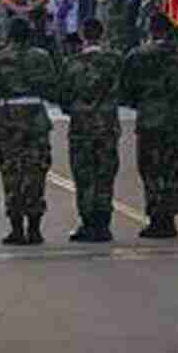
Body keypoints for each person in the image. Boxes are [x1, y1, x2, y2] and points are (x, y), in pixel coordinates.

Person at [0, 17, 57, 245]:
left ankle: (16, 228)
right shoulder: (41, 57)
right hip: (35, 117)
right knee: (36, 172)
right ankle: (35, 228)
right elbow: (52, 87)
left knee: (11, 173)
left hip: (9, 119)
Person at [121, 13, 178, 239]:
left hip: (149, 117)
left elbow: (126, 90)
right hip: (174, 119)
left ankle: (155, 217)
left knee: (151, 169)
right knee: (171, 168)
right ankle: (169, 217)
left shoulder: (137, 55)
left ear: (151, 30)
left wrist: (143, 102)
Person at [53, 17, 120, 242]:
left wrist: (76, 108)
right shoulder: (114, 60)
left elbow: (63, 97)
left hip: (82, 126)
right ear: (102, 34)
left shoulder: (72, 63)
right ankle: (104, 222)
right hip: (108, 124)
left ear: (83, 35)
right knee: (105, 174)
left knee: (84, 175)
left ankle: (88, 222)